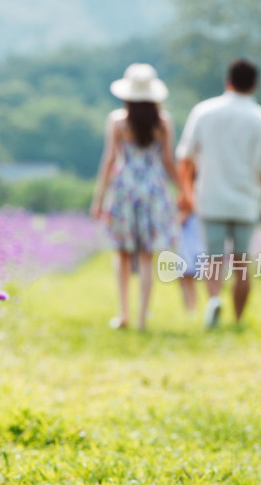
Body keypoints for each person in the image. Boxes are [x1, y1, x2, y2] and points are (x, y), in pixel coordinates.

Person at [176, 58, 261, 328]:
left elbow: (185, 160)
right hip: (246, 201)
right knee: (241, 264)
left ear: (228, 81)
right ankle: (237, 319)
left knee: (212, 258)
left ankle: (213, 300)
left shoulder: (204, 112)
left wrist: (187, 192)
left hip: (210, 198)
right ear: (255, 85)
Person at [91, 63, 192, 330]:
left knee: (122, 254)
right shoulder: (163, 122)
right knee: (147, 255)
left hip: (124, 188)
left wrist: (98, 199)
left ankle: (123, 313)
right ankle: (142, 317)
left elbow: (110, 160)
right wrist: (184, 191)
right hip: (154, 190)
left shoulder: (117, 121)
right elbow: (168, 161)